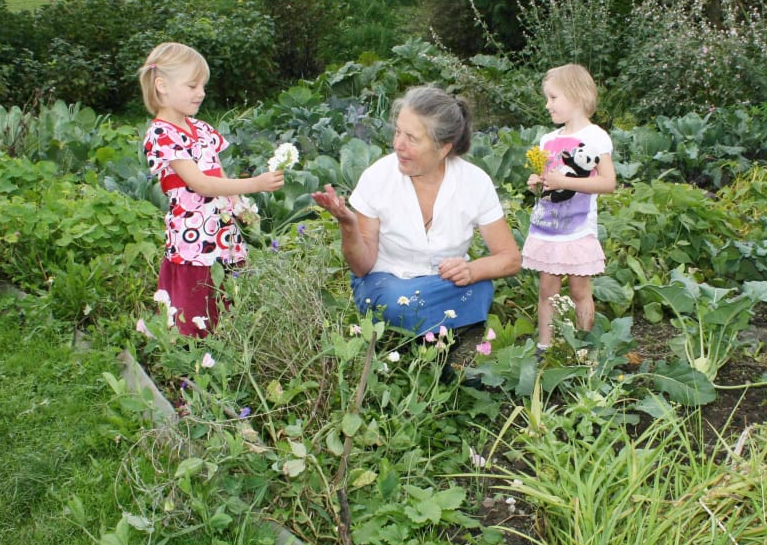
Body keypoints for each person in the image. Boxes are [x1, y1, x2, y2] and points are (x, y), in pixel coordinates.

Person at [310, 85, 521, 338]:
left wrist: (471, 270)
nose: (398, 144)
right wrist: (347, 223)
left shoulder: (475, 182)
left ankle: (439, 342)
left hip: (444, 285)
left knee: (480, 288)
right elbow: (361, 267)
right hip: (387, 282)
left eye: (411, 138)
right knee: (397, 302)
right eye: (398, 132)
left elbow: (510, 258)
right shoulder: (376, 177)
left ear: (443, 148)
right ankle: (446, 336)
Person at [138, 41, 285, 338]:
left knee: (227, 293)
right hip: (192, 234)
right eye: (192, 85)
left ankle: (227, 350)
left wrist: (241, 206)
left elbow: (217, 173)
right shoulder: (161, 134)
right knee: (195, 300)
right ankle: (191, 360)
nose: (201, 93)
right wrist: (255, 184)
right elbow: (200, 183)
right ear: (162, 86)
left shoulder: (202, 129)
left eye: (203, 85)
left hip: (221, 230)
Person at [522, 64, 616, 351]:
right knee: (546, 291)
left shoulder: (596, 136)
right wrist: (537, 182)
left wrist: (565, 181)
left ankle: (582, 349)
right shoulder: (548, 140)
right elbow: (549, 181)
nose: (547, 105)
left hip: (577, 229)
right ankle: (545, 348)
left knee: (579, 291)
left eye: (553, 98)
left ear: (576, 96)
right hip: (549, 227)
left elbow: (608, 182)